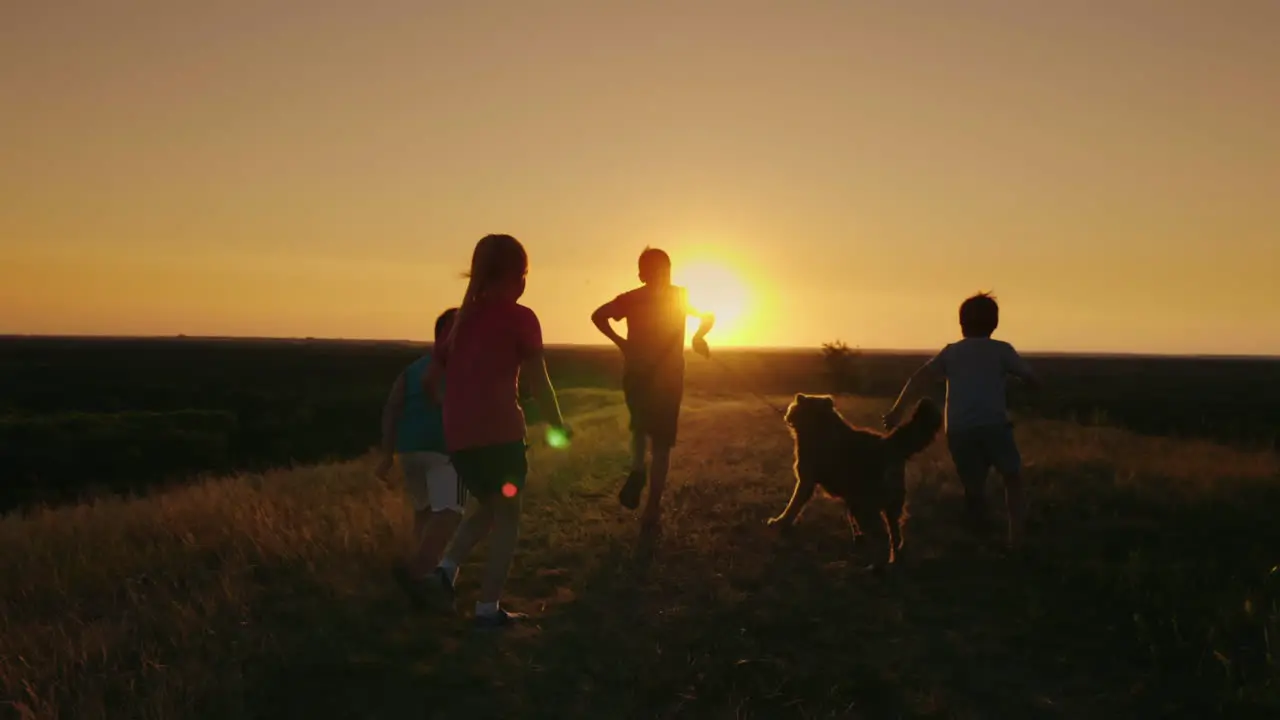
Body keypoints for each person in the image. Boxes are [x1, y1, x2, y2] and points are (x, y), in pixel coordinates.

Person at [410, 234, 569, 629]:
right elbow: (539, 383)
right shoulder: (520, 317)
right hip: (500, 437)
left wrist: (456, 410)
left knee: (490, 508)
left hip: (461, 441)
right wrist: (557, 424)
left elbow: (431, 383)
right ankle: (487, 609)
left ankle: (444, 573)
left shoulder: (458, 322)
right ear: (518, 276)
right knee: (509, 515)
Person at [882, 292, 1040, 549]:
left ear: (962, 323)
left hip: (959, 430)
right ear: (995, 323)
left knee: (974, 488)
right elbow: (1031, 379)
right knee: (1012, 478)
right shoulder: (1002, 350)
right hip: (994, 426)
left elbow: (918, 379)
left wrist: (897, 411)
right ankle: (1016, 540)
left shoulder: (951, 353)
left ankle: (978, 538)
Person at [591, 247, 714, 528]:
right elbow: (708, 316)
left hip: (639, 374)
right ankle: (652, 508)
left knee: (639, 426)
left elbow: (598, 316)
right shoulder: (678, 296)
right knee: (661, 443)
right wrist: (698, 337)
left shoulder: (632, 298)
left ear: (641, 273)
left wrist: (622, 343)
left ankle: (637, 468)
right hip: (668, 377)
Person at [377, 308, 465, 590]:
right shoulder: (462, 369)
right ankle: (419, 572)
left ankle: (423, 572)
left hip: (410, 452)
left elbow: (392, 409)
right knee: (451, 510)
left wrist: (387, 455)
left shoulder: (412, 369)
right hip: (444, 451)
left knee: (425, 512)